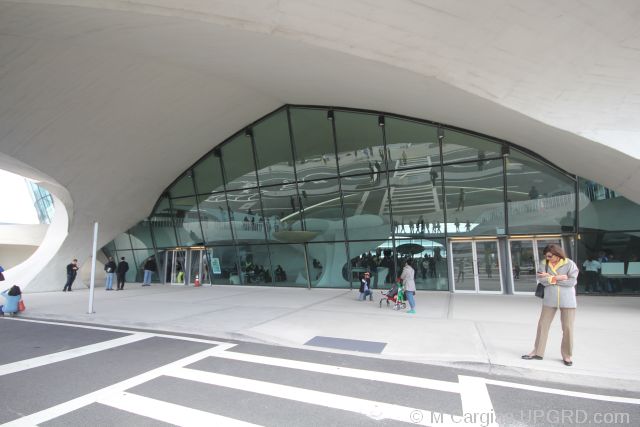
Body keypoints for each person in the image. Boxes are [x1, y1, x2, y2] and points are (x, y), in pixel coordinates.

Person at [522, 244, 579, 366]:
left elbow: (572, 282)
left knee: (568, 328)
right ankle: (537, 351)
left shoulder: (570, 264)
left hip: (567, 300)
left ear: (557, 254)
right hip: (549, 299)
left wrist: (550, 278)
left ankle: (567, 355)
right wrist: (559, 278)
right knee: (542, 325)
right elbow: (541, 280)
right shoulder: (544, 264)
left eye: (550, 256)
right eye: (546, 256)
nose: (548, 258)